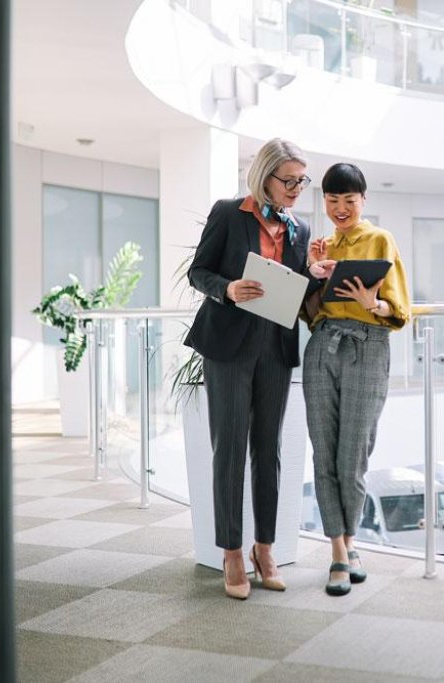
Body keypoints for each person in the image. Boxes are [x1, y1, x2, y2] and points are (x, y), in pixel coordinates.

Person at [184, 138, 318, 600]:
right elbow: (198, 272)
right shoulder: (228, 213)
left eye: (302, 180)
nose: (298, 188)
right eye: (290, 180)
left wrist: (316, 275)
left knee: (269, 449)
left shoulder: (299, 229)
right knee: (229, 449)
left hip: (275, 345)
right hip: (229, 345)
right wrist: (228, 288)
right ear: (265, 176)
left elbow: (297, 290)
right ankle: (232, 551)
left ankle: (266, 547)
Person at [303, 162, 411, 596]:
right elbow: (311, 313)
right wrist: (312, 274)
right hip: (323, 346)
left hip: (368, 346)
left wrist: (372, 302)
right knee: (323, 451)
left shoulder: (380, 240)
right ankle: (339, 551)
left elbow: (399, 309)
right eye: (332, 200)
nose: (341, 208)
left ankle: (350, 542)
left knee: (354, 454)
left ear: (363, 200)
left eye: (349, 199)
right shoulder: (323, 245)